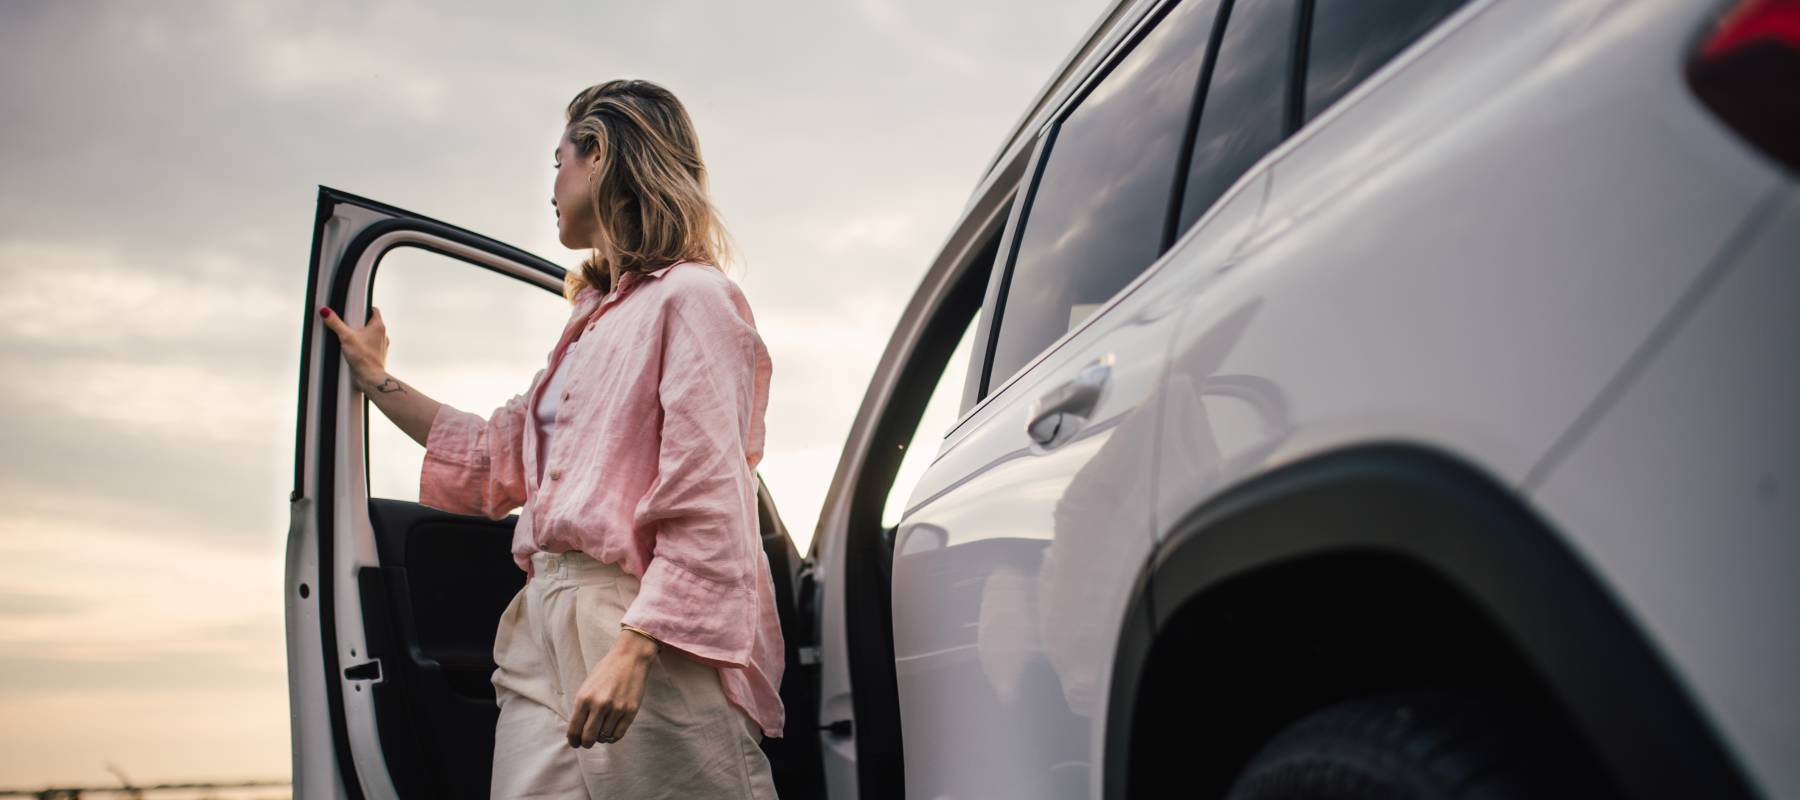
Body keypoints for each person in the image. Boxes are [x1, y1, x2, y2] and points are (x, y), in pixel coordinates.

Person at [319, 79, 782, 799]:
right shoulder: (585, 329)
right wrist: (376, 378)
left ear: (597, 153)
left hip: (640, 621)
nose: (553, 184)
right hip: (540, 623)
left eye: (558, 160)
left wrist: (636, 647)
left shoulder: (694, 298)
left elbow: (709, 493)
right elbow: (490, 457)